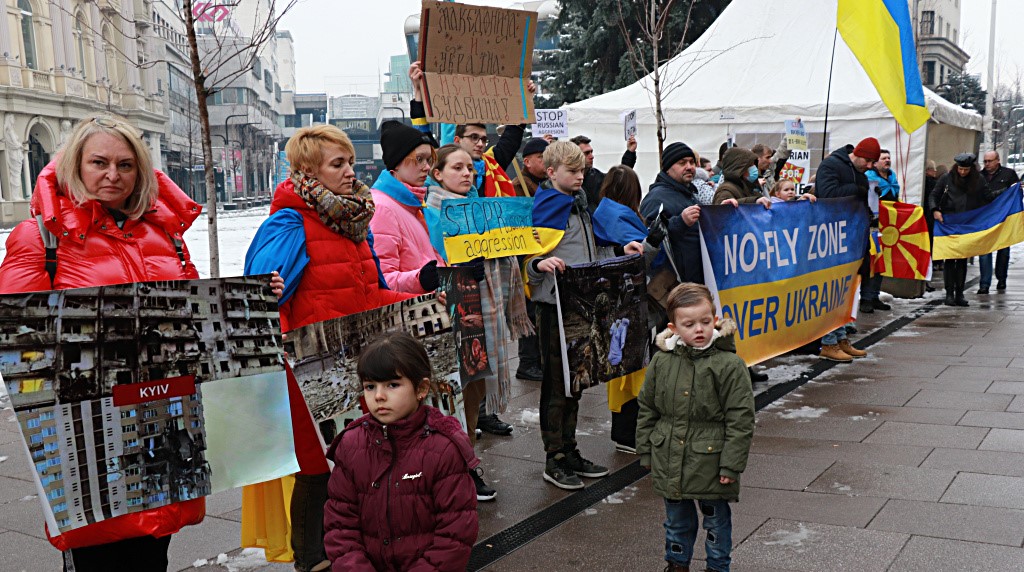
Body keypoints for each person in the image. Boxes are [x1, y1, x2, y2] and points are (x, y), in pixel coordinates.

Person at [0, 114, 220, 570]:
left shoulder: (166, 236)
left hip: (162, 417)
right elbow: (20, 335)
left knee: (153, 549)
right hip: (90, 427)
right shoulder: (40, 237)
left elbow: (194, 312)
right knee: (103, 550)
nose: (112, 175)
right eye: (99, 162)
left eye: (125, 165)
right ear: (74, 166)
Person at [244, 124, 410, 572]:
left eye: (351, 162)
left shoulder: (355, 221)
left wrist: (419, 298)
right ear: (307, 171)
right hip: (308, 373)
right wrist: (268, 287)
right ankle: (311, 559)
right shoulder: (288, 221)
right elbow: (256, 298)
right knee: (316, 472)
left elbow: (372, 293)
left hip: (358, 364)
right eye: (338, 164)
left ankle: (349, 547)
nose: (350, 172)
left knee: (360, 463)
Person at [527, 142, 642, 489]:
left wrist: (621, 249)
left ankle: (569, 449)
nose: (581, 176)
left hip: (580, 304)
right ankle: (555, 457)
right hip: (553, 306)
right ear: (551, 173)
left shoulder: (577, 203)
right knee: (557, 385)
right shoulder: (545, 206)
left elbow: (592, 245)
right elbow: (525, 256)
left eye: (582, 171)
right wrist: (537, 264)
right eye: (573, 171)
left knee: (577, 380)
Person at [424, 145, 533, 501]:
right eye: (457, 168)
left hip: (484, 316)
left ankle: (466, 463)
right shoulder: (431, 212)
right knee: (451, 400)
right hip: (451, 318)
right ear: (437, 173)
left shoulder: (484, 210)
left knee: (473, 397)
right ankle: (455, 471)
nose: (467, 174)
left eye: (470, 168)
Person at [323, 332, 478, 571]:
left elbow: (455, 534)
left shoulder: (443, 448)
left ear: (421, 388)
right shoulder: (351, 445)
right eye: (370, 386)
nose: (379, 396)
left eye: (392, 385)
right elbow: (341, 526)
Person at [636, 283, 754, 572]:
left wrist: (731, 465)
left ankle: (717, 566)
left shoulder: (728, 364)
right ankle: (677, 564)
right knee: (676, 519)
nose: (698, 329)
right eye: (689, 324)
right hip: (669, 455)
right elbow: (648, 407)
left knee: (715, 519)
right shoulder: (662, 362)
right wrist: (647, 451)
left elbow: (740, 418)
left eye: (704, 321)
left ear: (714, 319)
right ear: (674, 328)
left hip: (711, 459)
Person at [408, 61, 534, 197]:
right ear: (457, 140)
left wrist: (524, 98)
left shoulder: (491, 164)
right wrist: (418, 90)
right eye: (473, 137)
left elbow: (512, 136)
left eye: (484, 139)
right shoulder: (439, 160)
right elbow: (422, 130)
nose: (480, 144)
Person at [814, 138, 880, 361]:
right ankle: (828, 342)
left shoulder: (857, 170)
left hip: (849, 238)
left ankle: (841, 338)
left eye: (873, 162)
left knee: (845, 293)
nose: (870, 166)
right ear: (858, 154)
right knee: (831, 293)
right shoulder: (831, 165)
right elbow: (828, 193)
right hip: (832, 238)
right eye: (868, 161)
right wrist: (858, 188)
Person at [369, 120, 443, 294]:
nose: (426, 167)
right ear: (397, 162)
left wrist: (464, 271)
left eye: (429, 159)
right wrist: (420, 280)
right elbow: (382, 279)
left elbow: (428, 262)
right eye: (419, 159)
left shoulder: (410, 204)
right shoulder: (383, 208)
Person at [930, 153, 990, 306]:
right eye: (961, 169)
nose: (963, 172)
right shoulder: (947, 178)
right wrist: (935, 210)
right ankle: (949, 293)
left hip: (967, 222)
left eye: (966, 169)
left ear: (971, 169)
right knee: (950, 259)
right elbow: (933, 196)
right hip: (949, 221)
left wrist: (1007, 192)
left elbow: (988, 197)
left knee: (962, 258)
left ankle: (960, 293)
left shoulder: (979, 180)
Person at [639, 142, 703, 284]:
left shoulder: (689, 194)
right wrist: (680, 222)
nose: (689, 167)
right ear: (668, 169)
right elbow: (649, 240)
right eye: (682, 163)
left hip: (695, 281)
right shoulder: (656, 198)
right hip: (674, 286)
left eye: (692, 162)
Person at [978, 151, 1020, 293]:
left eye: (990, 161)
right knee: (984, 250)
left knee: (1003, 250)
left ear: (997, 160)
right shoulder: (979, 176)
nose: (987, 164)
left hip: (1004, 217)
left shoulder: (1008, 174)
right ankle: (984, 284)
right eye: (985, 161)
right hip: (985, 217)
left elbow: (1016, 193)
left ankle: (1001, 278)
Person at [571, 134, 638, 213]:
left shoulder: (595, 176)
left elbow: (619, 178)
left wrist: (630, 152)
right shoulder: (565, 181)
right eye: (586, 153)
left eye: (591, 152)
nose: (592, 156)